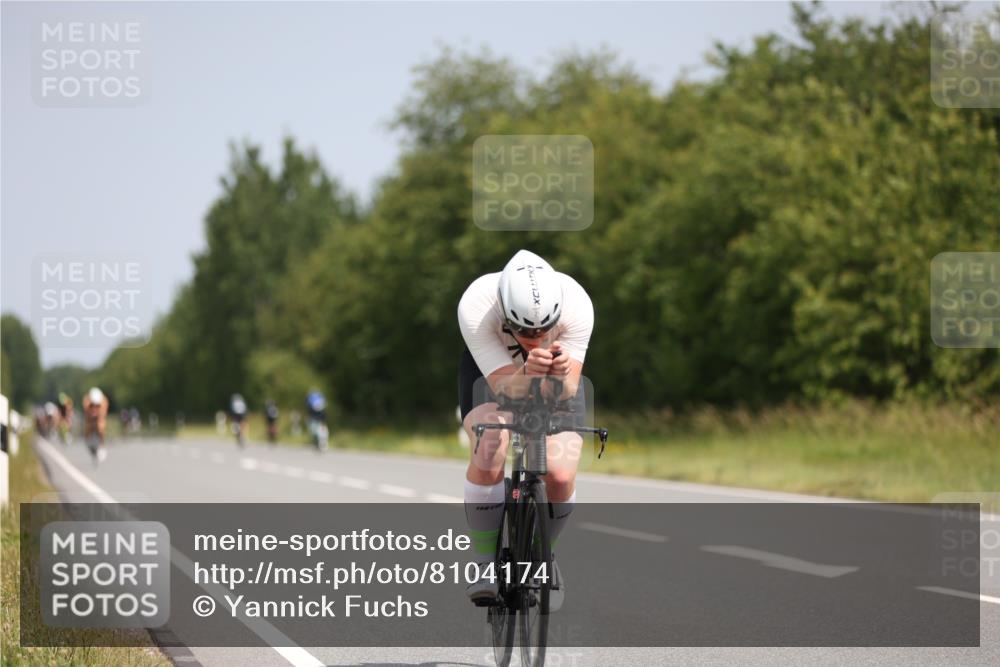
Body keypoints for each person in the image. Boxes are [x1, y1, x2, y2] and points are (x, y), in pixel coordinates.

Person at [457, 249, 594, 611]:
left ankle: (545, 556)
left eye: (544, 329)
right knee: (490, 448)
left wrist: (560, 373)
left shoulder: (577, 303)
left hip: (551, 377)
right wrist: (527, 370)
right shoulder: (477, 304)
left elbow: (565, 392)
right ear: (505, 314)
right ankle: (485, 562)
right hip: (493, 373)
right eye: (524, 330)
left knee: (561, 475)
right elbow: (505, 390)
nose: (535, 337)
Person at [82, 387, 109, 461]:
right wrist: (91, 416)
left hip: (99, 416)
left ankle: (102, 445)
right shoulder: (86, 401)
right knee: (87, 427)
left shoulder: (104, 402)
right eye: (93, 405)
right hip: (89, 417)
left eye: (97, 405)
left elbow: (103, 415)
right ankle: (88, 441)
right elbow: (86, 413)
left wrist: (98, 419)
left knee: (101, 428)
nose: (95, 407)